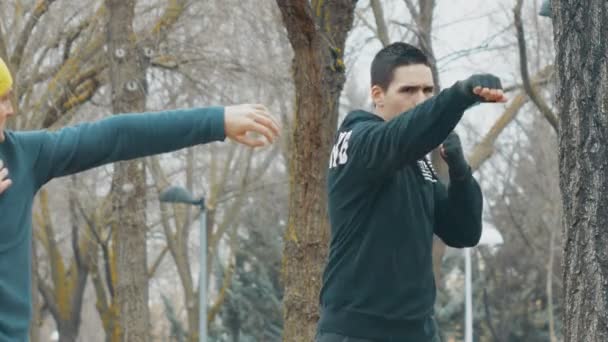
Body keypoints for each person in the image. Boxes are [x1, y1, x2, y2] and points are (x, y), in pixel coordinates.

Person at [0, 56, 280, 341]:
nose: (10, 109)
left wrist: (217, 120)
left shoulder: (23, 157)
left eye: (9, 98)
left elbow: (117, 135)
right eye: (0, 100)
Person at [317, 42, 507, 342]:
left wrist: (459, 172)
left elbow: (463, 232)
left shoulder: (418, 164)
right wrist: (458, 96)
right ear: (377, 95)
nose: (421, 99)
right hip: (356, 333)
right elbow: (400, 137)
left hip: (418, 331)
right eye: (408, 91)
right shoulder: (358, 140)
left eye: (428, 91)